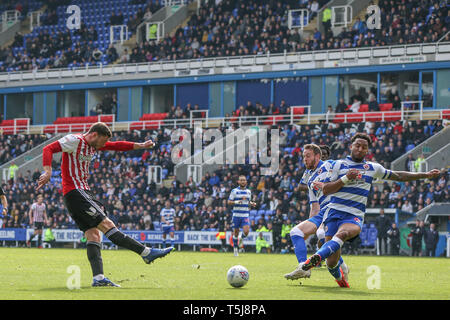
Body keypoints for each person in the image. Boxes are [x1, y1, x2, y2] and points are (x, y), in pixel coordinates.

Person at [37, 122, 173, 287]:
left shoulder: (93, 145)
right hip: (75, 192)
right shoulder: (75, 140)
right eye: (102, 142)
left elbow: (116, 146)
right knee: (107, 224)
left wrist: (140, 145)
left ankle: (99, 278)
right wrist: (48, 171)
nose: (102, 146)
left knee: (93, 235)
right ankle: (147, 252)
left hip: (81, 193)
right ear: (94, 134)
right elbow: (48, 149)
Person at [303, 132, 440, 287]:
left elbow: (398, 176)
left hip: (354, 215)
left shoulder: (373, 168)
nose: (360, 149)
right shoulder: (337, 165)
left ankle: (313, 260)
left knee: (343, 234)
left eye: (364, 147)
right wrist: (343, 178)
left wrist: (425, 174)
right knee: (332, 262)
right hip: (334, 212)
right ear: (351, 146)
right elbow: (326, 189)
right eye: (357, 145)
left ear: (367, 151)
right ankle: (340, 279)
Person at [284, 144, 348, 281]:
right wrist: (310, 225)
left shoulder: (330, 165)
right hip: (322, 212)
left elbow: (348, 170)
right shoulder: (310, 179)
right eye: (303, 157)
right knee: (296, 232)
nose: (305, 159)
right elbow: (314, 206)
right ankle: (303, 268)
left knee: (321, 234)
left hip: (335, 209)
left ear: (317, 156)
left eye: (308, 156)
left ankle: (341, 266)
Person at [227, 175, 257, 257]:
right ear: (238, 182)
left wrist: (252, 203)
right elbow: (229, 202)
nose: (243, 181)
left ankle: (241, 238)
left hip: (245, 215)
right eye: (241, 180)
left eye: (244, 180)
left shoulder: (248, 191)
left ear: (246, 182)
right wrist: (236, 202)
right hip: (236, 215)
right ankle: (235, 249)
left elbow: (247, 201)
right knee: (235, 233)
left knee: (246, 232)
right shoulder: (234, 191)